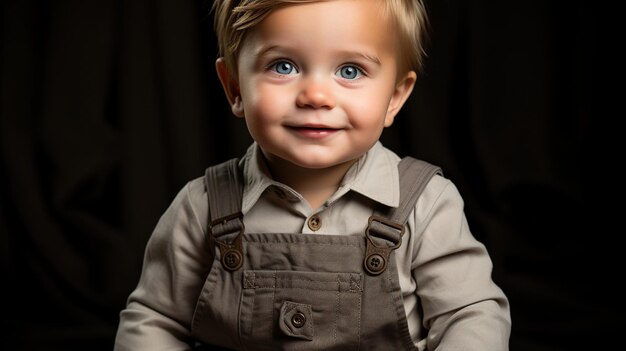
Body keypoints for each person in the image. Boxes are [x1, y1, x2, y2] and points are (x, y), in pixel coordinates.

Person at [114, 0, 511, 349]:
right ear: (234, 87)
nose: (316, 96)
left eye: (350, 71)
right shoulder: (202, 206)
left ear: (395, 97)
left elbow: (471, 316)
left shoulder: (426, 204)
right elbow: (155, 321)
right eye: (283, 66)